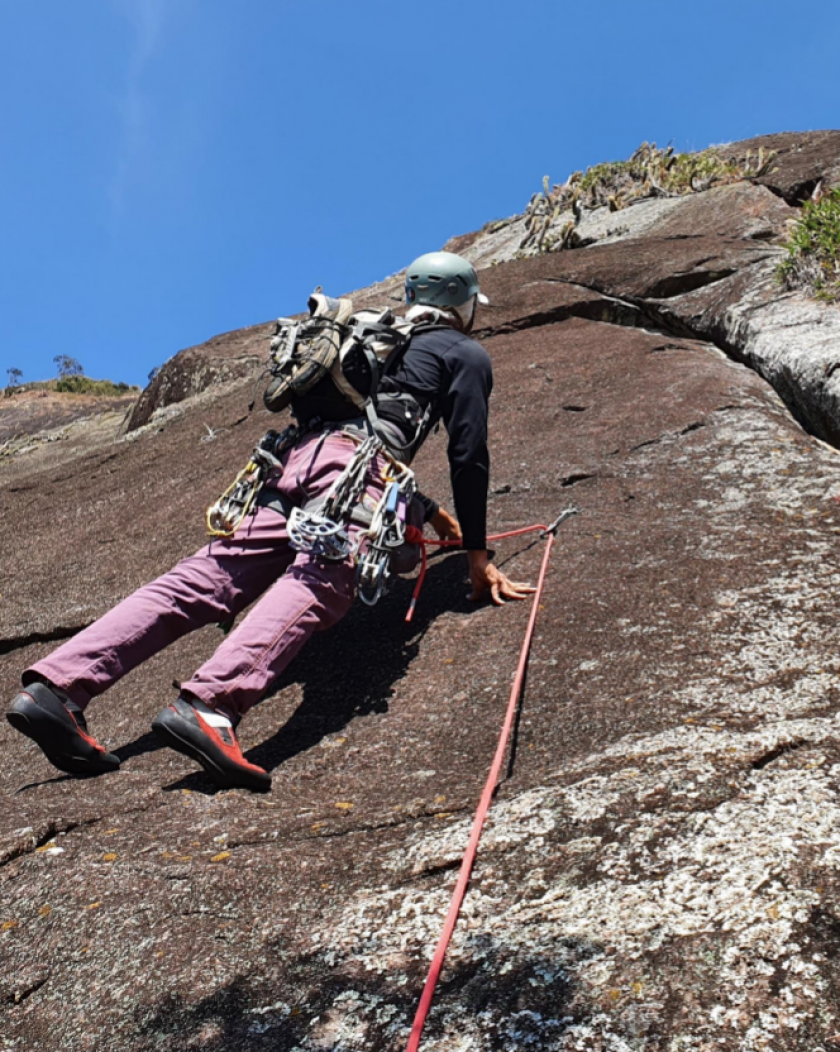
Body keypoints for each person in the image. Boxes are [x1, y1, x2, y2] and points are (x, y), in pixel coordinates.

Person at [7, 251, 534, 792]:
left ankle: (57, 688)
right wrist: (477, 555)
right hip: (355, 473)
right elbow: (467, 455)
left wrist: (425, 510)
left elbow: (358, 424)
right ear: (463, 304)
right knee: (324, 578)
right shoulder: (464, 352)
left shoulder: (374, 339)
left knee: (202, 580)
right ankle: (210, 705)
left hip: (291, 463)